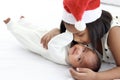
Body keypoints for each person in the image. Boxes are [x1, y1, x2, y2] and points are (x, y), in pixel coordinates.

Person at [41, 0, 120, 79]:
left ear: (94, 27)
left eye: (80, 34)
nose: (75, 39)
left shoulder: (114, 34)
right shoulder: (83, 34)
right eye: (71, 33)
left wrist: (96, 76)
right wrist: (58, 31)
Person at [3, 17, 101, 72]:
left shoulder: (62, 58)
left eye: (79, 59)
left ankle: (11, 26)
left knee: (26, 35)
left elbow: (53, 45)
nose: (78, 52)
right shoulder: (74, 47)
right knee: (36, 28)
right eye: (84, 50)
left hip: (38, 44)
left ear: (75, 67)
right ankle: (24, 22)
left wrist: (70, 34)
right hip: (46, 35)